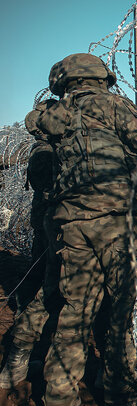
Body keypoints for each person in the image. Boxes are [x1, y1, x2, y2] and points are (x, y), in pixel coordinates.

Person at [36, 53, 137, 406]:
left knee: (75, 312)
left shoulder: (54, 116)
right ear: (99, 78)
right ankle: (118, 391)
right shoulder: (113, 105)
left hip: (72, 226)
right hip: (116, 224)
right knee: (121, 311)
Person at [0, 99, 62, 389]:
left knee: (43, 285)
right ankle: (24, 360)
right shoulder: (48, 149)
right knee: (46, 288)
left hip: (52, 225)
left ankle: (18, 360)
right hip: (59, 227)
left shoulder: (47, 147)